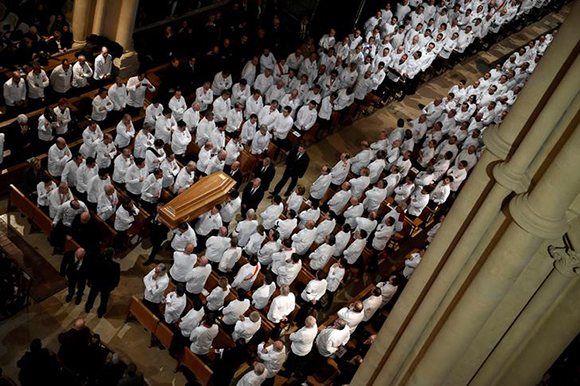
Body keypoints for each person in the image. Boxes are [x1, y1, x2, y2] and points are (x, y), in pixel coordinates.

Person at [85, 248, 120, 318]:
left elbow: (92, 272)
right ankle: (101, 312)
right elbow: (116, 278)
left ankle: (88, 308)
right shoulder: (115, 266)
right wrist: (113, 286)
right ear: (113, 256)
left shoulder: (98, 261)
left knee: (91, 297)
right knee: (104, 300)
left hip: (96, 283)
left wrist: (89, 281)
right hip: (106, 286)